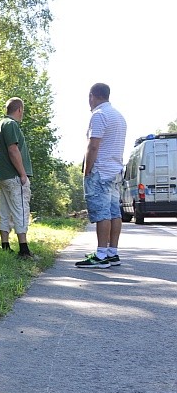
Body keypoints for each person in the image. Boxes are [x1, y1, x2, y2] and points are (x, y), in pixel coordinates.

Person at [75, 83, 127, 268]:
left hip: (100, 172)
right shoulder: (119, 116)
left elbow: (93, 145)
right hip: (115, 172)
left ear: (92, 96)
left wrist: (87, 169)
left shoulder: (99, 115)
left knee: (102, 213)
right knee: (114, 213)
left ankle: (101, 255)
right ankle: (112, 252)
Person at [0, 97, 34, 259]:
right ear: (19, 110)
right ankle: (24, 250)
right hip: (14, 175)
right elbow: (13, 150)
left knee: (5, 210)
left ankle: (5, 246)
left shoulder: (0, 125)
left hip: (3, 176)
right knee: (21, 210)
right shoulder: (11, 125)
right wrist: (23, 173)